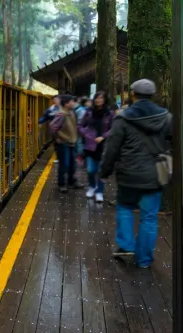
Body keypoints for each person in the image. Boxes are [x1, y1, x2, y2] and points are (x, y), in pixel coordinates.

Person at [99, 79, 172, 268]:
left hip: (128, 175)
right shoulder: (166, 117)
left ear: (133, 94)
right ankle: (145, 260)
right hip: (154, 175)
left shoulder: (123, 118)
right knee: (149, 217)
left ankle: (125, 246)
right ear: (153, 95)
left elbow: (112, 148)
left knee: (124, 208)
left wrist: (105, 171)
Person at [79, 91, 115, 202]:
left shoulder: (110, 113)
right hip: (90, 146)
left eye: (101, 98)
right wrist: (86, 133)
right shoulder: (88, 112)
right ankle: (91, 186)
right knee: (90, 170)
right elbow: (80, 125)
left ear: (105, 100)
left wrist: (103, 136)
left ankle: (99, 192)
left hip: (103, 146)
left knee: (100, 171)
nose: (98, 100)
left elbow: (113, 128)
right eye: (97, 98)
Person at [49, 94, 82, 193]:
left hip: (72, 142)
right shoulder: (61, 114)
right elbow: (52, 127)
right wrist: (57, 138)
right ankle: (62, 184)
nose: (73, 103)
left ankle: (71, 182)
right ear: (66, 103)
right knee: (64, 164)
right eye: (72, 101)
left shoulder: (72, 112)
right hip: (64, 143)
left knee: (72, 164)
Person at [39, 95, 60, 164]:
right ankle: (58, 157)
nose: (56, 101)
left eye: (57, 99)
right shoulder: (51, 109)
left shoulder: (64, 108)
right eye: (54, 100)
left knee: (62, 144)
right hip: (54, 131)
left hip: (63, 130)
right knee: (57, 144)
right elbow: (45, 117)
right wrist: (40, 122)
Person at [74, 97, 87, 166]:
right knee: (80, 142)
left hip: (79, 129)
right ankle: (80, 156)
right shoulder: (82, 110)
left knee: (79, 142)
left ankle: (79, 156)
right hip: (81, 129)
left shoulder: (80, 109)